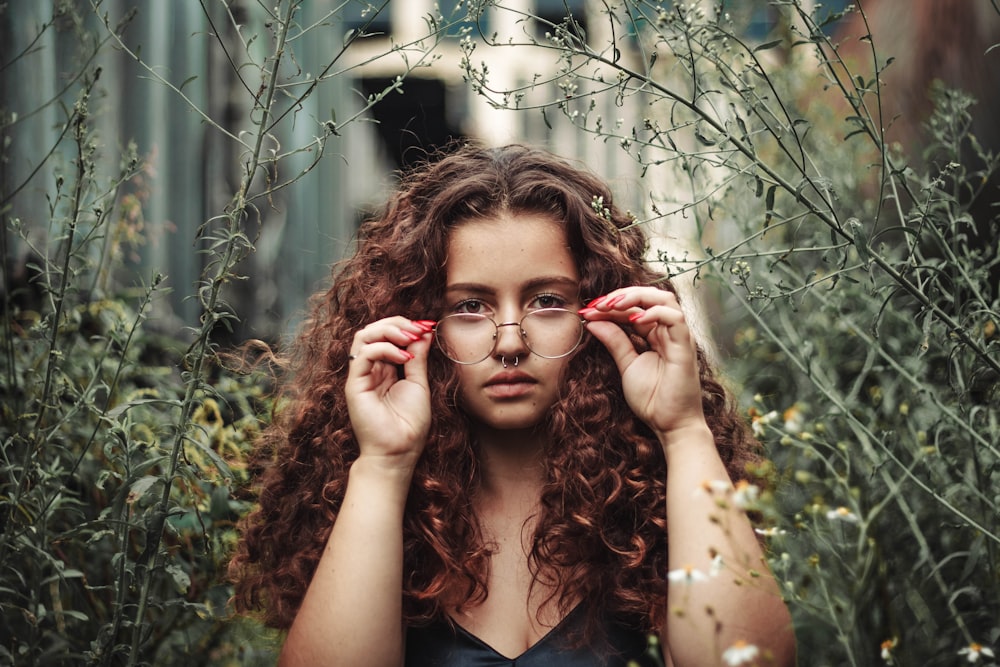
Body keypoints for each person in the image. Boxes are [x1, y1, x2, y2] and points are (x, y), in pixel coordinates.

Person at [229, 143, 796, 666]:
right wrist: (383, 464)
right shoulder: (385, 512)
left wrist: (682, 428)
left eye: (547, 301)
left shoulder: (652, 506)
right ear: (419, 320)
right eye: (470, 306)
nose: (509, 342)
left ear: (597, 309)